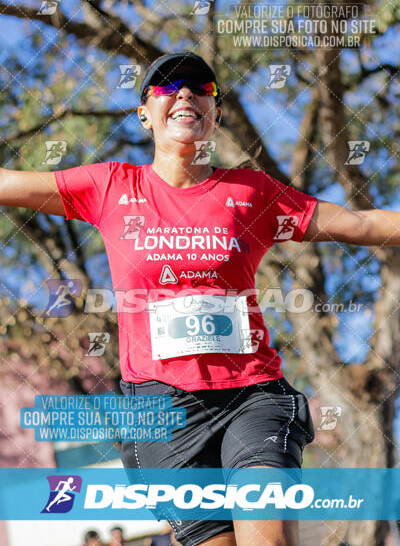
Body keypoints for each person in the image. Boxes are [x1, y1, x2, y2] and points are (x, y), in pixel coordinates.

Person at [2, 50, 400, 545]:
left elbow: (359, 224)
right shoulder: (109, 186)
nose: (185, 92)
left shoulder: (252, 193)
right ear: (144, 113)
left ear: (215, 113)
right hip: (161, 409)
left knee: (268, 538)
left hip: (251, 394)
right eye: (167, 86)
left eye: (200, 87)